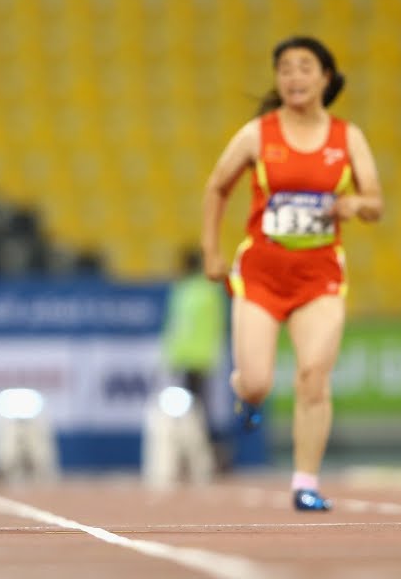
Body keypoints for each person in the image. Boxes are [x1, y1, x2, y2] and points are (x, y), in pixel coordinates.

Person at [200, 35, 383, 512]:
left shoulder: (348, 138)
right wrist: (211, 252)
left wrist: (354, 205)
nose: (293, 77)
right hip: (261, 275)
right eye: (284, 69)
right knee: (258, 381)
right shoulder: (258, 133)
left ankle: (305, 482)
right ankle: (247, 392)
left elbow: (375, 203)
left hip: (318, 277)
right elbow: (217, 187)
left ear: (326, 77)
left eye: (304, 67)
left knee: (313, 376)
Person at [159, 246, 230, 470]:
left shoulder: (196, 291)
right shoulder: (199, 290)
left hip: (194, 358)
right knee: (192, 410)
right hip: (191, 358)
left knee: (197, 410)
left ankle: (203, 456)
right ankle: (192, 456)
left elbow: (179, 326)